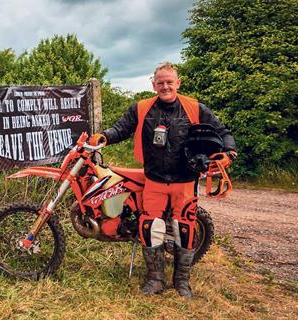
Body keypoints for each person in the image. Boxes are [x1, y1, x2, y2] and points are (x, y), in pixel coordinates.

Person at [98, 62, 237, 298]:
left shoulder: (195, 108)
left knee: (184, 229)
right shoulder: (141, 108)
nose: (165, 86)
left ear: (178, 83)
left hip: (185, 180)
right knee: (151, 227)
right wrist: (103, 137)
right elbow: (121, 128)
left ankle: (182, 283)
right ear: (153, 85)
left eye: (169, 82)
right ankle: (155, 280)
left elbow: (222, 132)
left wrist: (229, 151)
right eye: (160, 82)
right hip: (154, 180)